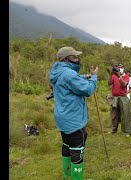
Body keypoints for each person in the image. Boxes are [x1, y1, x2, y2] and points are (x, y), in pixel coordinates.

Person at [49, 46, 98, 180]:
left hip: (62, 117)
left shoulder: (58, 71)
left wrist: (84, 76)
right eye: (74, 57)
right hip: (73, 119)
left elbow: (70, 79)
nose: (77, 59)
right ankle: (77, 178)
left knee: (66, 145)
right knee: (77, 149)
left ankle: (67, 175)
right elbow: (87, 90)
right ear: (66, 59)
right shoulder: (69, 74)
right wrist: (93, 78)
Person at [107, 63, 131, 136]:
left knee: (125, 115)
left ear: (123, 68)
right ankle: (113, 130)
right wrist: (111, 74)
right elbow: (109, 83)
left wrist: (119, 76)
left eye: (121, 67)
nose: (119, 68)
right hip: (115, 97)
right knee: (114, 114)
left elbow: (124, 85)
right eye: (118, 67)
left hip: (123, 97)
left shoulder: (126, 76)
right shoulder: (113, 76)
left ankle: (127, 131)